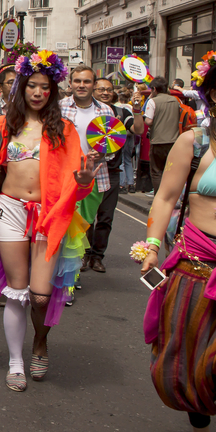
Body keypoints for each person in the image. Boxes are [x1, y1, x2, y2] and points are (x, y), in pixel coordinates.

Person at [0, 50, 98, 392]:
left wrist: (86, 180)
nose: (37, 92)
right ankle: (16, 361)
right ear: (22, 87)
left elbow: (76, 181)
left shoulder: (65, 129)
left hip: (48, 214)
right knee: (17, 292)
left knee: (41, 296)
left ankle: (40, 342)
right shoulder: (3, 125)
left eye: (44, 87)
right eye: (32, 85)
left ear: (52, 91)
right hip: (10, 211)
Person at [141, 50, 216, 432]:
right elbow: (166, 198)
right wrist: (152, 245)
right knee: (189, 356)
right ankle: (198, 396)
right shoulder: (195, 142)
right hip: (196, 267)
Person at [59, 65, 115, 278]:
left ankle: (70, 277)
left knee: (80, 230)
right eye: (77, 81)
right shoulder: (59, 107)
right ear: (70, 83)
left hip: (94, 180)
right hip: (65, 178)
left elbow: (112, 144)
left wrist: (102, 155)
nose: (81, 85)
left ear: (94, 85)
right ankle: (64, 277)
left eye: (87, 81)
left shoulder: (106, 110)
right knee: (64, 229)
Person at [82, 78, 143, 273]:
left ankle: (98, 256)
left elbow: (138, 129)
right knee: (85, 218)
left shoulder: (121, 113)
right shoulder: (86, 113)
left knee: (105, 218)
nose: (105, 93)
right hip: (88, 172)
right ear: (93, 90)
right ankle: (84, 253)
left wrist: (137, 108)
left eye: (109, 89)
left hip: (112, 173)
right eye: (101, 89)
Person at [145, 76, 184, 192]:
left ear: (154, 89)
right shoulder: (177, 100)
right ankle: (172, 196)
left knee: (157, 171)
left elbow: (148, 121)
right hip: (174, 141)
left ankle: (159, 196)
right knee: (172, 170)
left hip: (158, 141)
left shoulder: (153, 101)